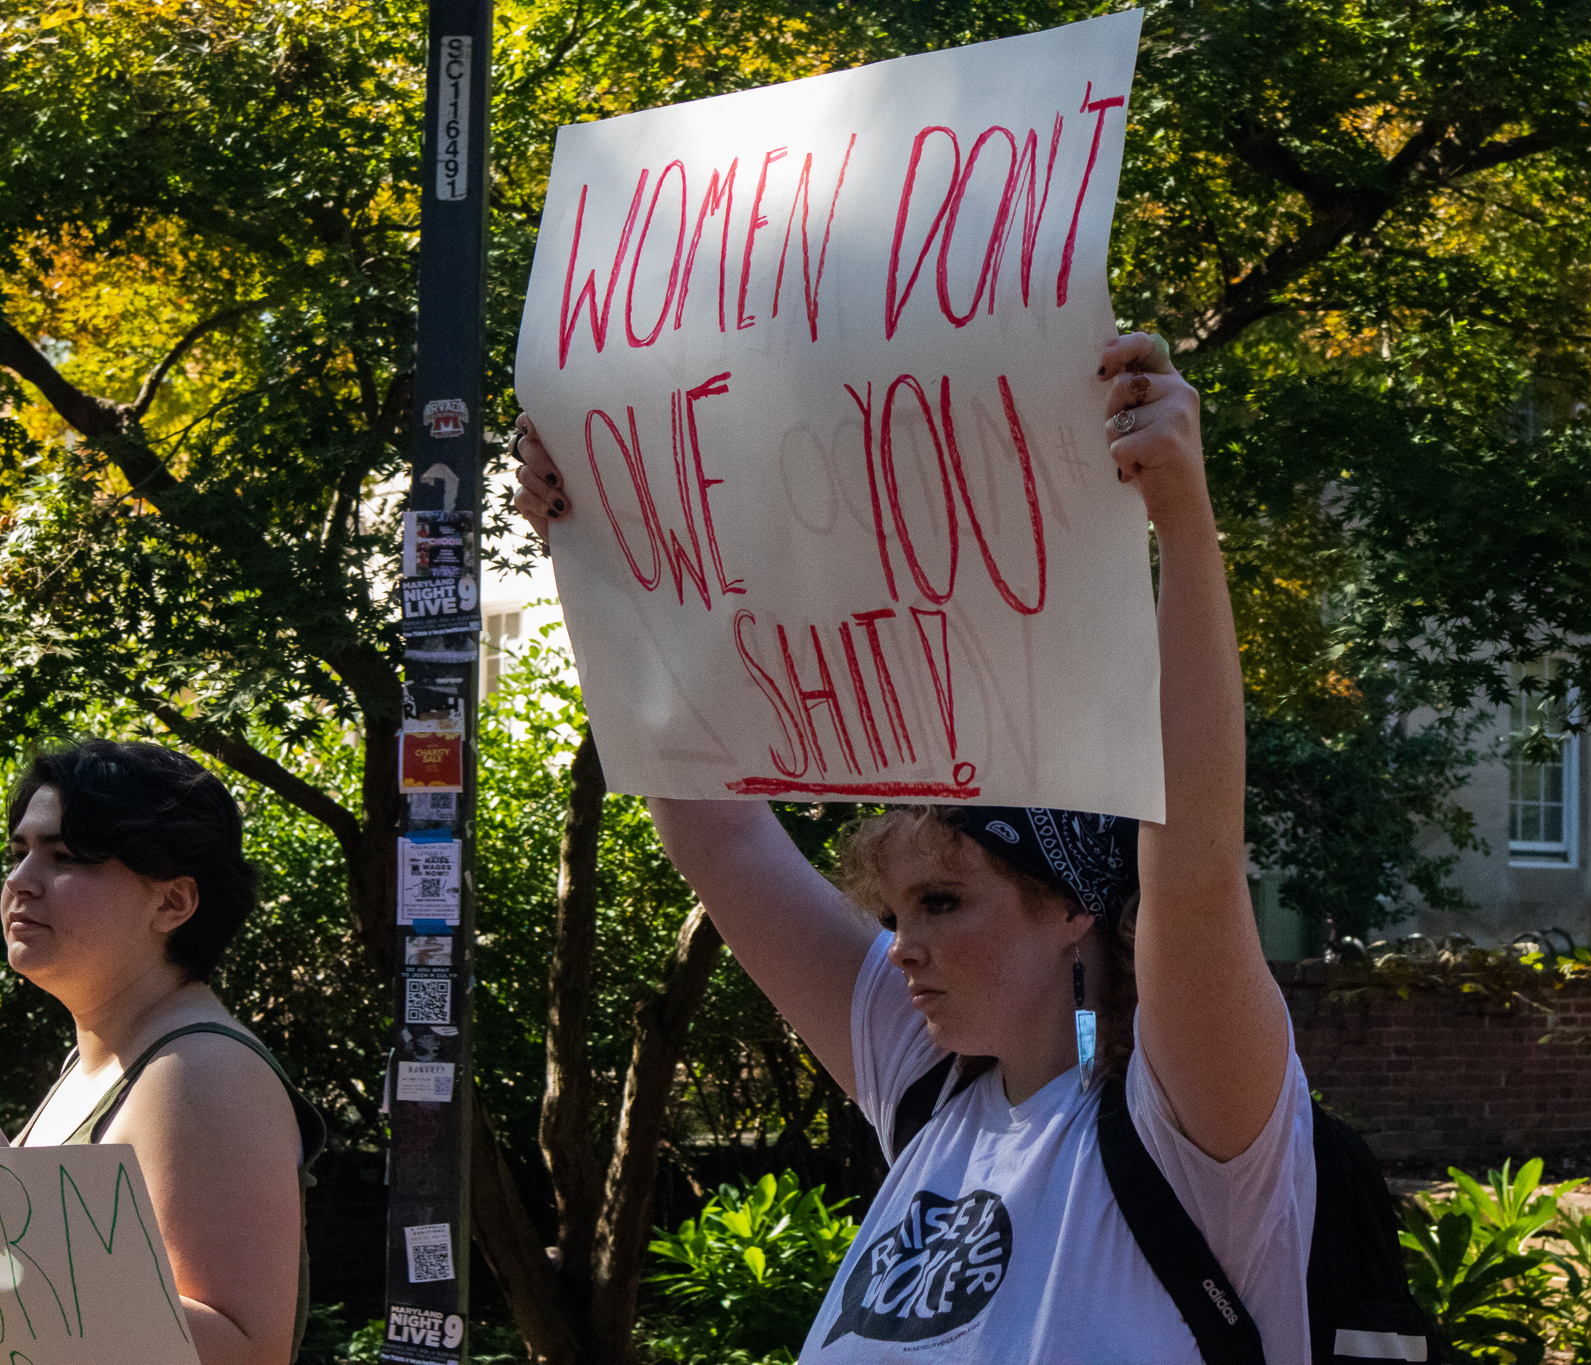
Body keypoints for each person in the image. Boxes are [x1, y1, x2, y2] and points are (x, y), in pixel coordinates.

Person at [510, 332, 1309, 1362]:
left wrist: (1183, 522)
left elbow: (1194, 867)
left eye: (942, 902)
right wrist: (596, 544)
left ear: (1071, 904)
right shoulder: (934, 1084)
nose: (900, 949)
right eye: (894, 914)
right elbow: (715, 831)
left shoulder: (1185, 1126)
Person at [3, 741, 325, 1365]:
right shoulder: (105, 1058)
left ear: (173, 902)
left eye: (65, 857)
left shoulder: (204, 1071)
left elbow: (245, 1350)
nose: (19, 883)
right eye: (18, 854)